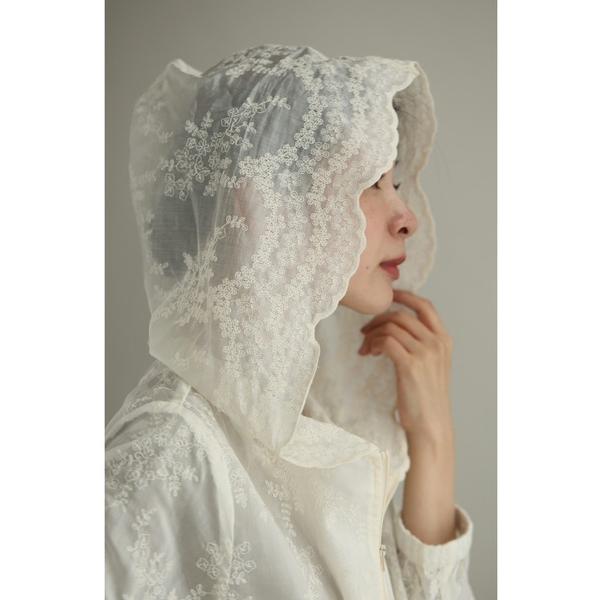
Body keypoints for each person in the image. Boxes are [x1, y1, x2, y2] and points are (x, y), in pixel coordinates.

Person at [106, 44, 475, 599]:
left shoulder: (328, 425)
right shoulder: (169, 456)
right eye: (370, 181)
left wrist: (432, 438)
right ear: (258, 204)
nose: (407, 219)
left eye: (395, 183)